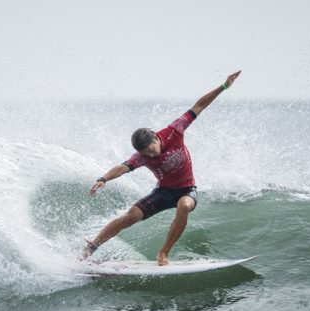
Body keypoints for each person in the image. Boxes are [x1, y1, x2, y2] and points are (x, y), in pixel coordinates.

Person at [84, 71, 242, 265]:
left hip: (187, 190)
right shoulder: (141, 156)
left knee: (184, 206)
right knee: (130, 217)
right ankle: (92, 247)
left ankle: (163, 253)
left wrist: (224, 86)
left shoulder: (175, 130)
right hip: (163, 192)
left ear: (156, 137)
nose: (152, 156)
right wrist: (103, 179)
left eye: (152, 150)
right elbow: (123, 167)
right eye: (147, 154)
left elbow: (199, 106)